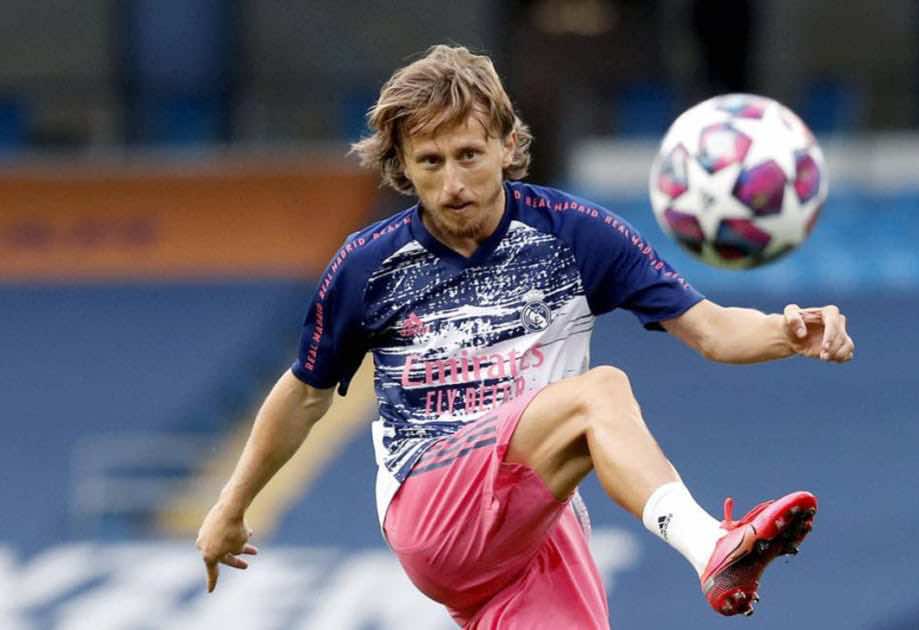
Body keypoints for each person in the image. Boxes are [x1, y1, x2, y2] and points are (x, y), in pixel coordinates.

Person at [195, 44, 854, 627]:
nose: (453, 184)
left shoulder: (578, 235)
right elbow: (304, 394)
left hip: (531, 525)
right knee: (599, 392)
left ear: (508, 146)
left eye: (469, 155)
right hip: (432, 504)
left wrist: (788, 333)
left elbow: (711, 330)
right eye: (430, 162)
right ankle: (712, 546)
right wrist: (231, 506)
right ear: (402, 165)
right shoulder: (368, 265)